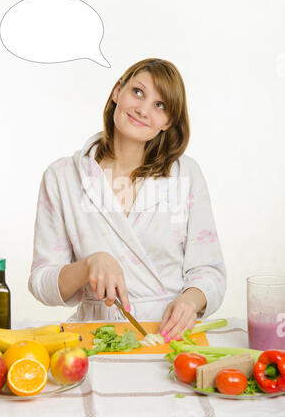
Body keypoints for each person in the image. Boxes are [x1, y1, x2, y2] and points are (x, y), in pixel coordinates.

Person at [28, 58, 226, 341]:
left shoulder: (186, 174)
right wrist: (88, 265)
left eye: (160, 105)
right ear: (117, 92)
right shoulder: (62, 176)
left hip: (168, 335)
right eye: (137, 92)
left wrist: (190, 302)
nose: (143, 110)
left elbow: (210, 271)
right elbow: (41, 283)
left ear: (168, 121)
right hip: (95, 338)